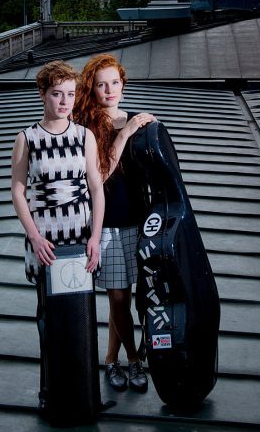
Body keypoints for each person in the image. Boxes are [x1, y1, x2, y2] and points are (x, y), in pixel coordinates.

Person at [11, 60, 104, 408]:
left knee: (79, 313)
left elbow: (96, 188)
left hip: (79, 235)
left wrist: (95, 237)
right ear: (42, 94)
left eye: (70, 93)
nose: (64, 101)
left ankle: (82, 389)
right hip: (46, 239)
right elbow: (18, 191)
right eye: (56, 94)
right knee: (48, 317)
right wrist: (34, 237)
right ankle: (50, 391)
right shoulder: (27, 138)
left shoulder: (84, 136)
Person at [74, 54, 156, 394]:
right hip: (106, 223)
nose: (109, 89)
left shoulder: (136, 119)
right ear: (92, 89)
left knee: (121, 298)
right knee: (119, 297)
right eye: (101, 84)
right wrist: (127, 133)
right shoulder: (88, 127)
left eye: (115, 82)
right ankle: (134, 359)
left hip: (136, 219)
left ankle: (111, 360)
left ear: (123, 84)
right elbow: (102, 174)